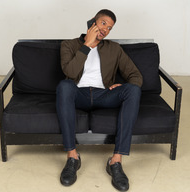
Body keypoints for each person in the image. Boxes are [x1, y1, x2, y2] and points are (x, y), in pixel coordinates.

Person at [56, 9, 142, 191]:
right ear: (93, 22)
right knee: (64, 86)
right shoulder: (69, 45)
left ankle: (116, 161)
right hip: (78, 94)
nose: (105, 30)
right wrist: (86, 45)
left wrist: (120, 85)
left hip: (104, 95)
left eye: (110, 28)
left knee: (133, 90)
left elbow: (136, 76)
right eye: (103, 23)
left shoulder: (114, 49)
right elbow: (70, 73)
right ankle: (73, 157)